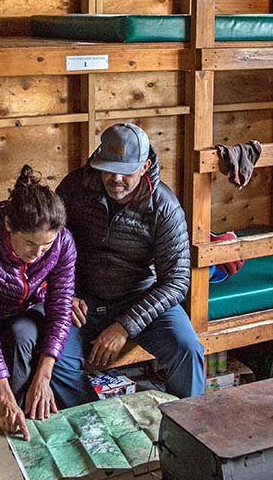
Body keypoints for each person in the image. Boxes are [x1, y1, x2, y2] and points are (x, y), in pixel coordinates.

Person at [52, 123, 205, 406]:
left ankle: (188, 434)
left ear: (146, 166)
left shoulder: (164, 206)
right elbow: (49, 245)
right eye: (108, 168)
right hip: (81, 300)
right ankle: (93, 426)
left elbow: (177, 280)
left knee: (188, 349)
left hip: (139, 299)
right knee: (53, 360)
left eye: (126, 171)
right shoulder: (74, 189)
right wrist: (63, 293)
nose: (115, 179)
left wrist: (124, 327)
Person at [0, 165, 75, 440]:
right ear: (9, 226)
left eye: (46, 246)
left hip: (34, 308)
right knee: (19, 338)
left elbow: (60, 305)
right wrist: (5, 398)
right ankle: (4, 432)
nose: (38, 254)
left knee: (58, 355)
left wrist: (43, 377)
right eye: (30, 244)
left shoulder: (63, 244)